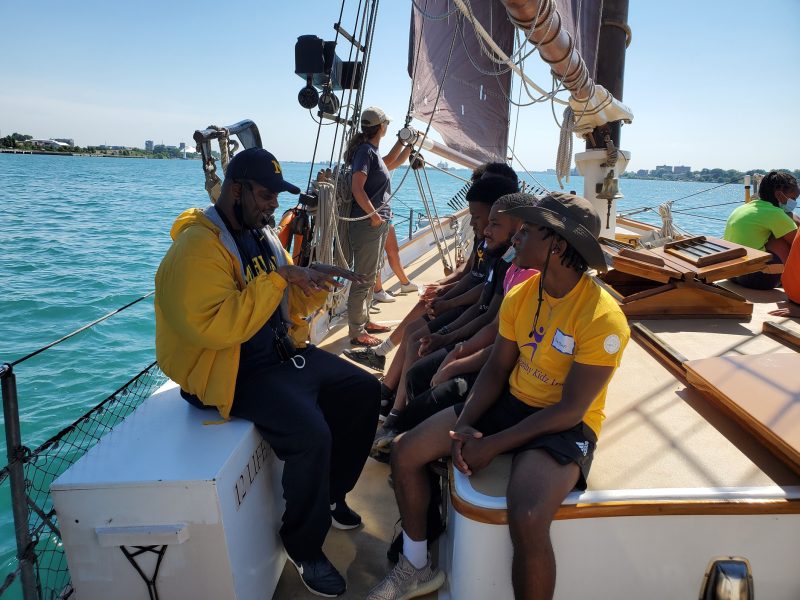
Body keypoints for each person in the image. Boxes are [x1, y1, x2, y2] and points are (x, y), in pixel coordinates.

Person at [366, 193, 630, 600]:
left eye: (528, 230)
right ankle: (415, 565)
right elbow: (495, 369)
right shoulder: (522, 296)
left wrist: (493, 445)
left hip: (564, 426)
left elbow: (571, 409)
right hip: (514, 402)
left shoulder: (603, 318)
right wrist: (464, 425)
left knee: (528, 514)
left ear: (558, 245)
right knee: (406, 451)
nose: (516, 237)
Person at [154, 147, 379, 598]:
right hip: (230, 373)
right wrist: (282, 278)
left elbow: (283, 303)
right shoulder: (197, 248)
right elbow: (217, 327)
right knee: (311, 434)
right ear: (235, 190)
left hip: (278, 354)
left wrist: (310, 282)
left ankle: (331, 495)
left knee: (363, 390)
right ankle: (304, 547)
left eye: (276, 196)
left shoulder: (262, 236)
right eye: (264, 195)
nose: (273, 205)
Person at [345, 106, 414, 346]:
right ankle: (356, 332)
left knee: (370, 274)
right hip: (369, 224)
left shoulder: (372, 152)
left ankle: (364, 322)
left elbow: (392, 162)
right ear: (381, 127)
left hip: (376, 223)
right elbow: (357, 188)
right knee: (363, 278)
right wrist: (374, 216)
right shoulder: (365, 152)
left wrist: (407, 144)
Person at [723, 170, 798, 290]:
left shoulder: (744, 208)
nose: (794, 202)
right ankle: (790, 279)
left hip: (731, 274)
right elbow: (797, 243)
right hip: (757, 278)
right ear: (779, 195)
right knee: (784, 239)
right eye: (793, 198)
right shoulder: (775, 213)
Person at [373, 223, 420, 303]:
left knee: (394, 251)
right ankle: (378, 291)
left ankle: (406, 284)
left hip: (386, 219)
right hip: (371, 221)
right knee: (376, 255)